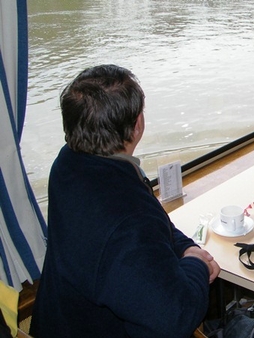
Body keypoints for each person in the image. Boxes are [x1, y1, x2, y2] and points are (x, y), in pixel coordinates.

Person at [30, 65, 220, 338]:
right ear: (138, 125)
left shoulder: (70, 164)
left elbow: (155, 224)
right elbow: (177, 317)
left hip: (60, 321)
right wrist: (197, 265)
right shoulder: (127, 217)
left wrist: (187, 248)